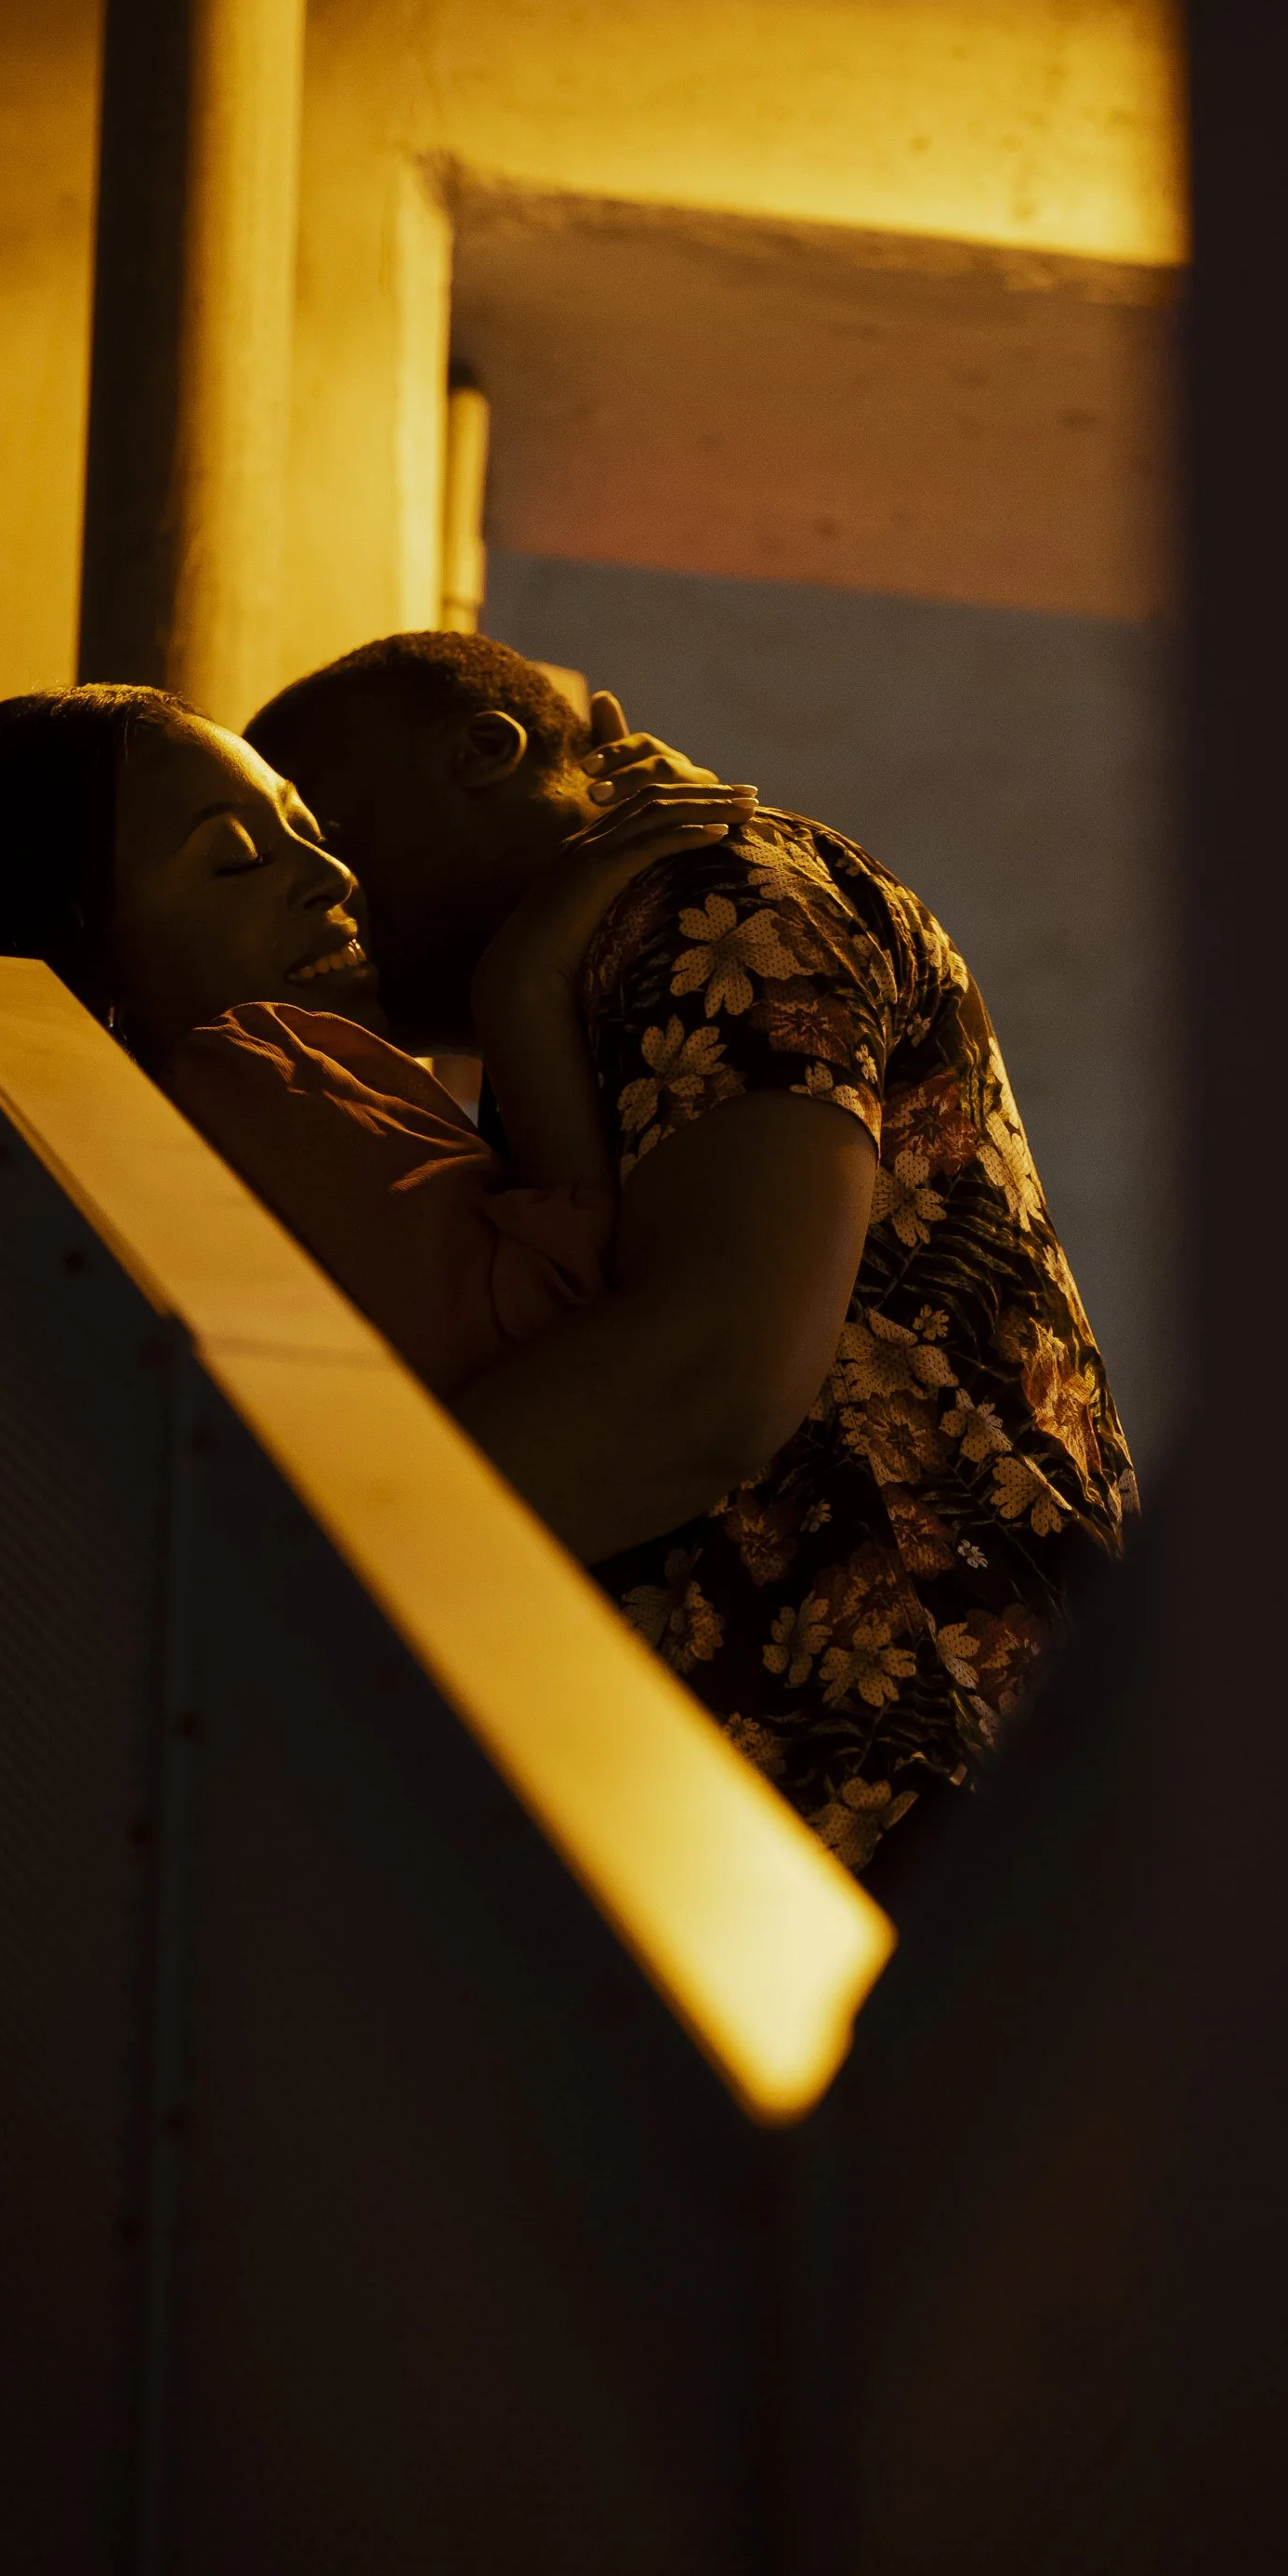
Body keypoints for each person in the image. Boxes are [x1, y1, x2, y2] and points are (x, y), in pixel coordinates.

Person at [248, 632, 1137, 1881]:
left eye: (329, 831)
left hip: (903, 1763)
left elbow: (699, 1380)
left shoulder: (708, 898)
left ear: (482, 752)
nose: (321, 889)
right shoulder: (581, 976)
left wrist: (263, 1592)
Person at [0, 683, 755, 1403]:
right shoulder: (252, 1068)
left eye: (307, 829)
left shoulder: (57, 1201)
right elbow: (565, 1331)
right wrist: (525, 988)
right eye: (235, 859)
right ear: (83, 954)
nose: (331, 874)